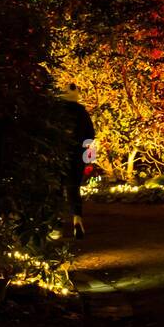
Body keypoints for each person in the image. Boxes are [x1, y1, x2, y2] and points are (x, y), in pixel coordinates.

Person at [59, 84, 95, 239]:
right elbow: (90, 136)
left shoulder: (56, 111)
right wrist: (89, 159)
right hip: (77, 156)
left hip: (58, 154)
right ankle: (77, 220)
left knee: (57, 188)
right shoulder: (82, 112)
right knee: (73, 189)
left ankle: (56, 224)